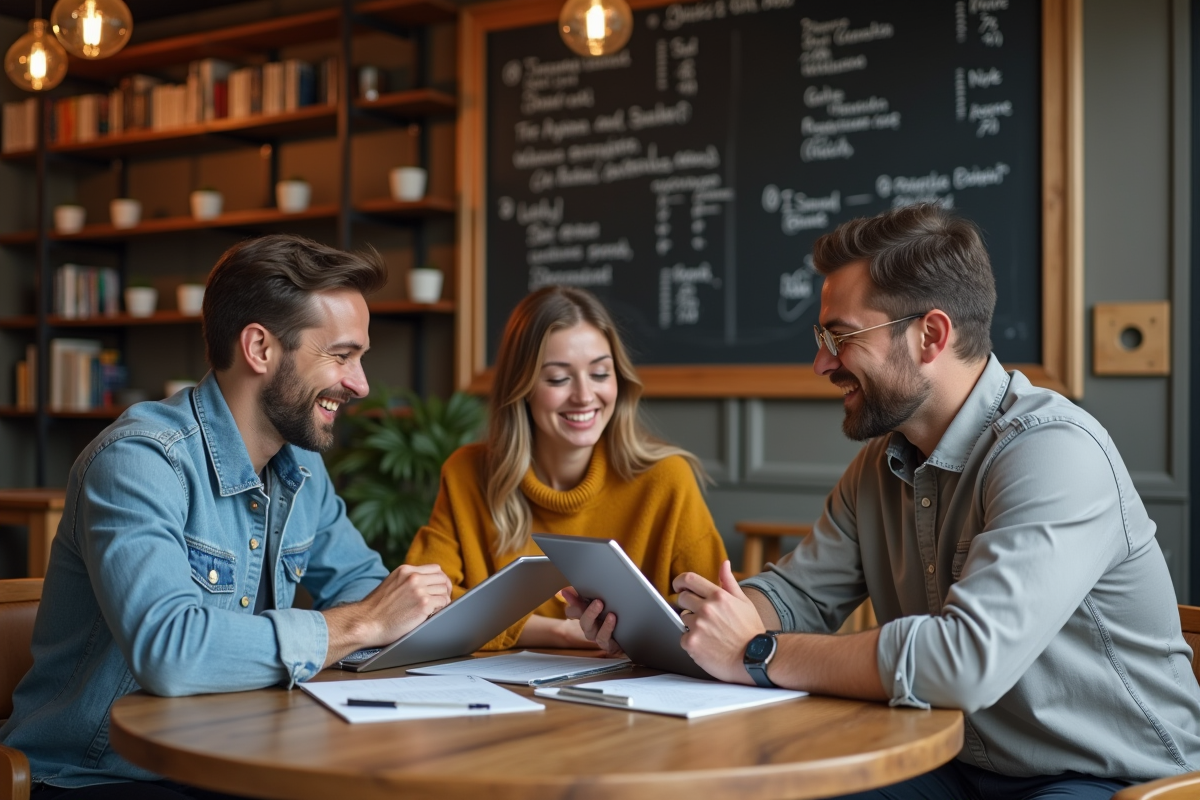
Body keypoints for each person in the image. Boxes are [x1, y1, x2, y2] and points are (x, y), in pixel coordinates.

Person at [581, 204, 1200, 798]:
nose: (821, 363)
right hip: (959, 763)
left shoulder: (1055, 453)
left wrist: (756, 652)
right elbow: (798, 596)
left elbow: (963, 661)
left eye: (841, 337)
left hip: (1114, 776)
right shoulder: (882, 462)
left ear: (930, 335)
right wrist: (672, 627)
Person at [1, 234, 452, 798]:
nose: (360, 383)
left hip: (234, 754)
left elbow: (364, 586)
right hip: (95, 775)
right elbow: (170, 651)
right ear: (260, 348)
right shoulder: (139, 462)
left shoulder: (302, 466)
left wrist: (414, 615)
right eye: (341, 356)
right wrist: (360, 625)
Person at [405, 285, 728, 650]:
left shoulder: (667, 479)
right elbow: (421, 605)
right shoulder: (467, 473)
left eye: (600, 374)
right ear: (522, 386)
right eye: (559, 378)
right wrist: (560, 632)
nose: (585, 396)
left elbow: (716, 614)